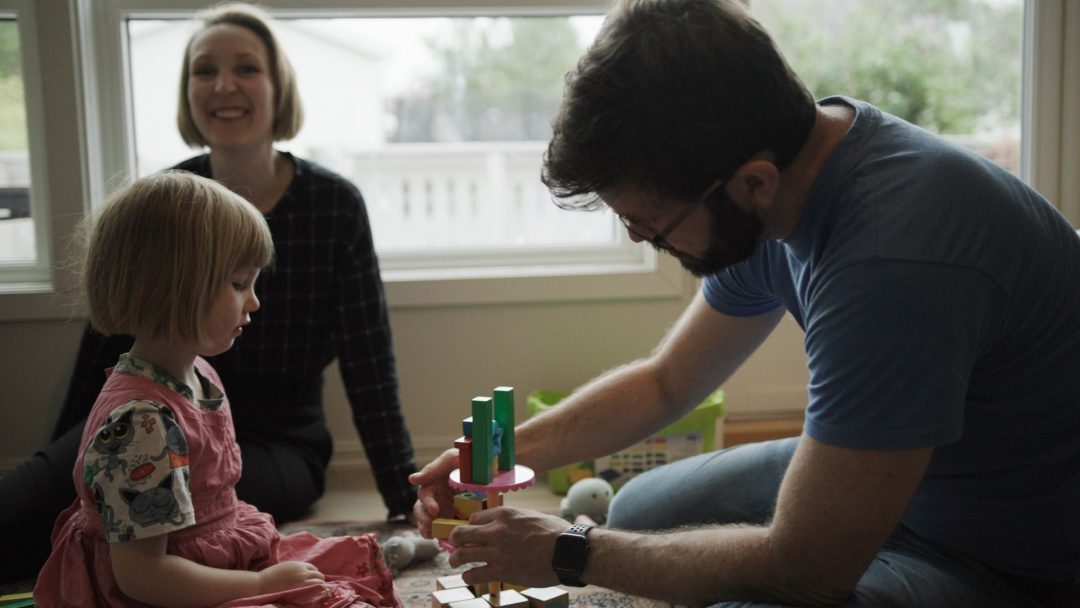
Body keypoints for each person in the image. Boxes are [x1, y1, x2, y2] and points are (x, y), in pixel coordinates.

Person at [411, 1, 1080, 606]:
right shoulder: (784, 175)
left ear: (751, 183)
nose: (639, 238)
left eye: (649, 224)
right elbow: (664, 382)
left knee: (745, 596)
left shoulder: (892, 259)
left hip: (1005, 556)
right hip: (906, 471)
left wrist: (568, 552)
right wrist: (494, 452)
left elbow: (810, 567)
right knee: (641, 507)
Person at [0, 2, 416, 583]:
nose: (223, 85)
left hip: (273, 442)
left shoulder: (334, 206)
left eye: (246, 68)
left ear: (279, 87)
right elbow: (109, 341)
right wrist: (63, 469)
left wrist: (405, 497)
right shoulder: (171, 201)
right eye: (204, 70)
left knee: (195, 526)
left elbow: (370, 362)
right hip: (150, 409)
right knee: (20, 511)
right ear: (187, 90)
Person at [33, 171, 399, 607]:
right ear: (175, 287)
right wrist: (261, 587)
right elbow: (141, 576)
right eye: (239, 284)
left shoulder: (198, 373)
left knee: (335, 579)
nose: (255, 302)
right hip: (167, 592)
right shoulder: (141, 424)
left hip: (208, 564)